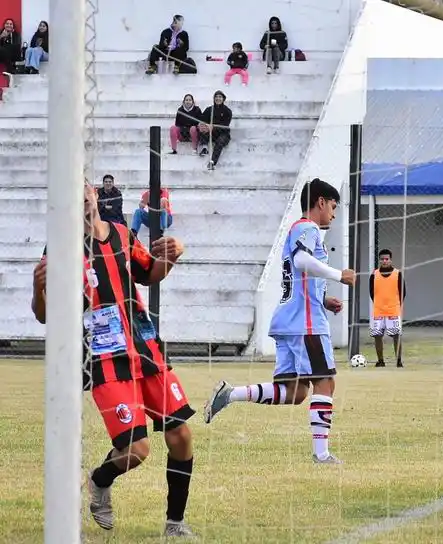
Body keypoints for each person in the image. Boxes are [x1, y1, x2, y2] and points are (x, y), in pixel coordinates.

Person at [31, 182, 194, 537]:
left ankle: (175, 524)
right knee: (136, 450)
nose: (82, 201)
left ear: (92, 194)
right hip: (105, 359)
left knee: (181, 435)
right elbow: (44, 315)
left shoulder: (121, 234)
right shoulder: (59, 250)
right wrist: (37, 288)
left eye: (84, 193)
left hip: (145, 345)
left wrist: (173, 254)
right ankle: (99, 480)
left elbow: (150, 273)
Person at [203, 178, 356, 464]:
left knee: (295, 392)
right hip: (305, 325)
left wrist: (323, 300)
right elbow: (300, 262)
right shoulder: (307, 228)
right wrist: (339, 275)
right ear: (321, 202)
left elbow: (298, 277)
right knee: (326, 384)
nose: (333, 214)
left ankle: (230, 394)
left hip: (290, 320)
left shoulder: (298, 231)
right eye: (333, 207)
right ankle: (321, 455)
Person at [369, 248, 406, 368]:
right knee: (377, 336)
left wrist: (396, 304)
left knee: (397, 335)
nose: (384, 261)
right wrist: (379, 303)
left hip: (393, 310)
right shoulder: (374, 274)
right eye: (382, 259)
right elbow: (371, 292)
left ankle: (398, 361)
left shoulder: (397, 274)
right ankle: (380, 361)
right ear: (379, 261)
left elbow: (403, 292)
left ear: (390, 260)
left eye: (387, 259)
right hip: (378, 310)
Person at [198, 90, 233, 170]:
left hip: (223, 134)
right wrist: (203, 125)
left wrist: (213, 127)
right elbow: (202, 120)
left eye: (220, 97)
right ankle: (204, 148)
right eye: (216, 97)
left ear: (223, 99)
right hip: (211, 133)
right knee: (202, 129)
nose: (218, 98)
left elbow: (225, 125)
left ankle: (212, 162)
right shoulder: (209, 109)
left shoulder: (227, 111)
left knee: (220, 141)